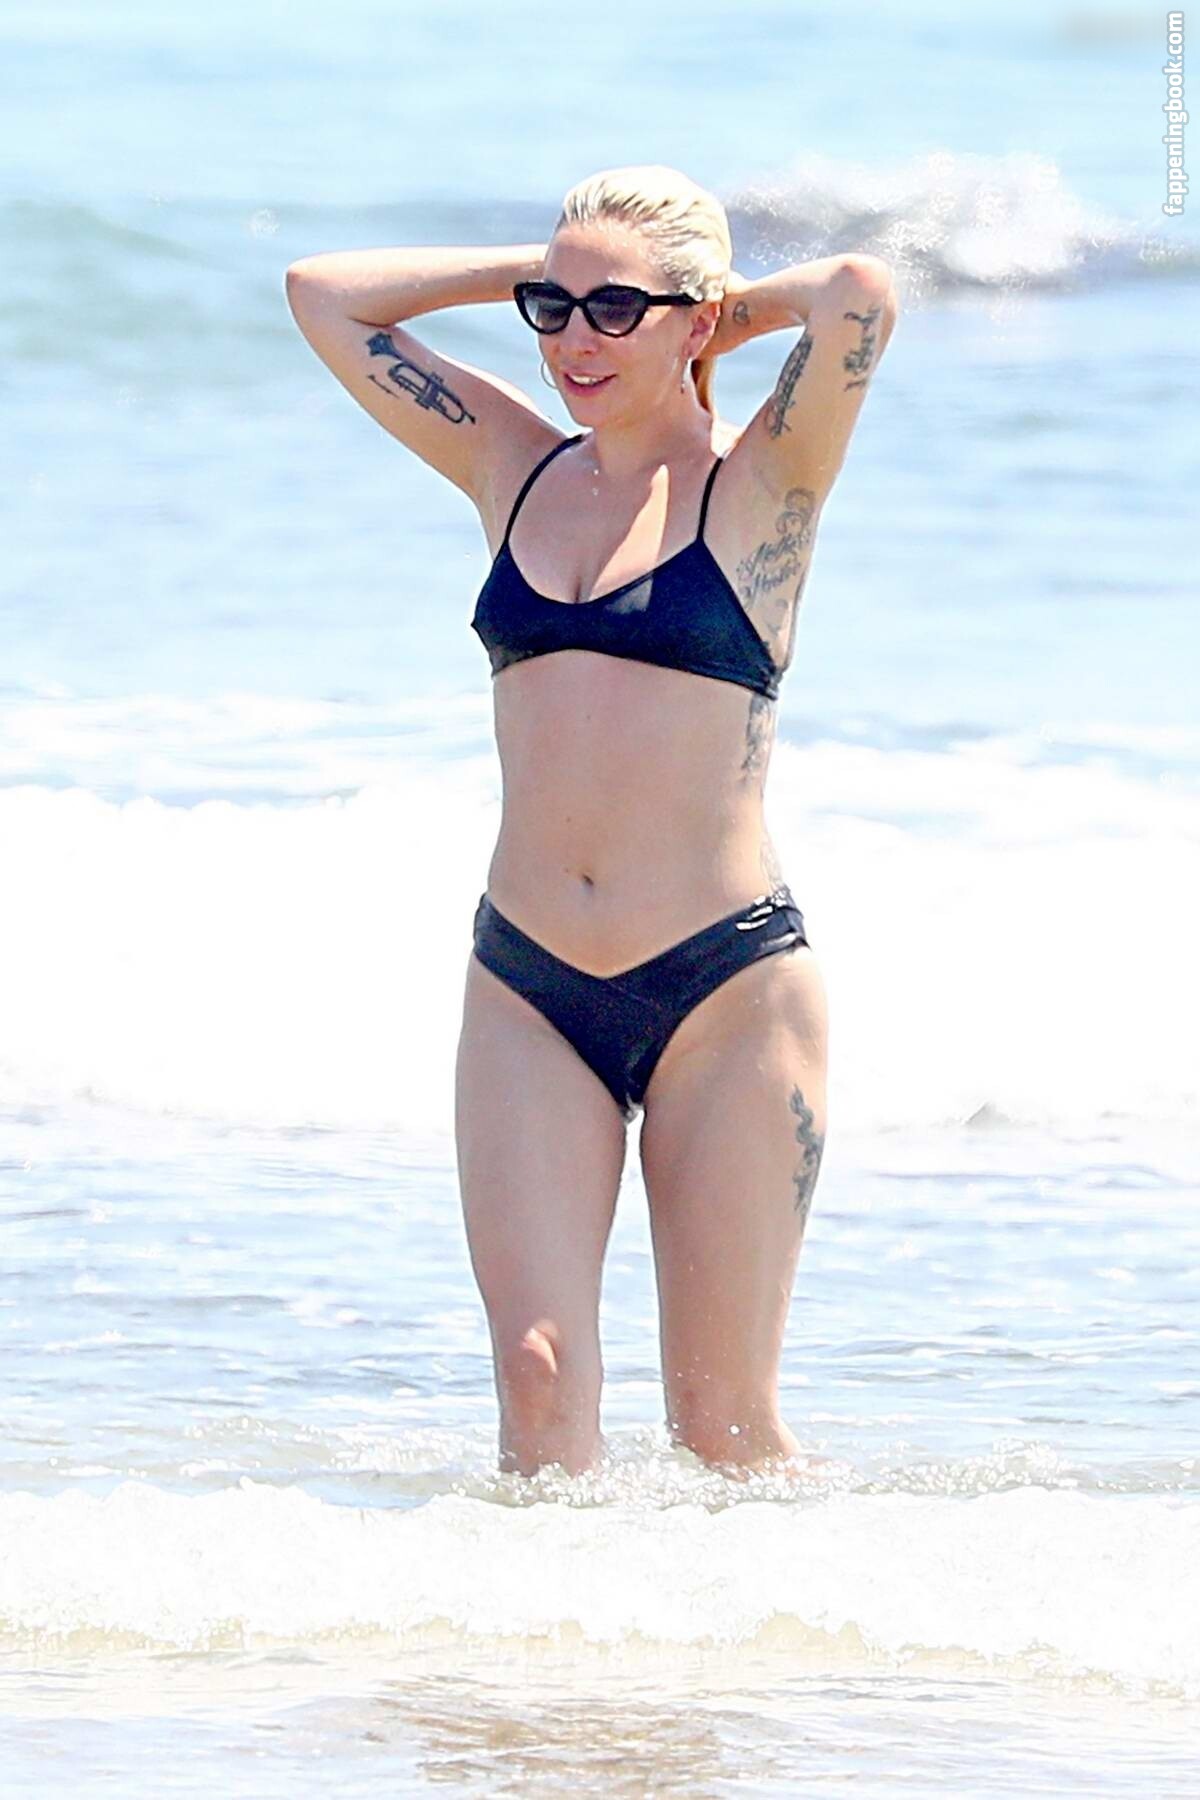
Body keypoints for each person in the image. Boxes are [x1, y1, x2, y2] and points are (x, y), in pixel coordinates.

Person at [285, 164, 897, 1483]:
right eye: (551, 309)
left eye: (615, 310)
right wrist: (550, 274)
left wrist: (707, 313)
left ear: (697, 317)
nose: (574, 339)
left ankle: (780, 1624)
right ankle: (543, 1635)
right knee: (537, 1380)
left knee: (722, 1425)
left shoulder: (762, 485)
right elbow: (323, 296)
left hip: (727, 989)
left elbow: (857, 293)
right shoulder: (512, 467)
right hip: (528, 987)